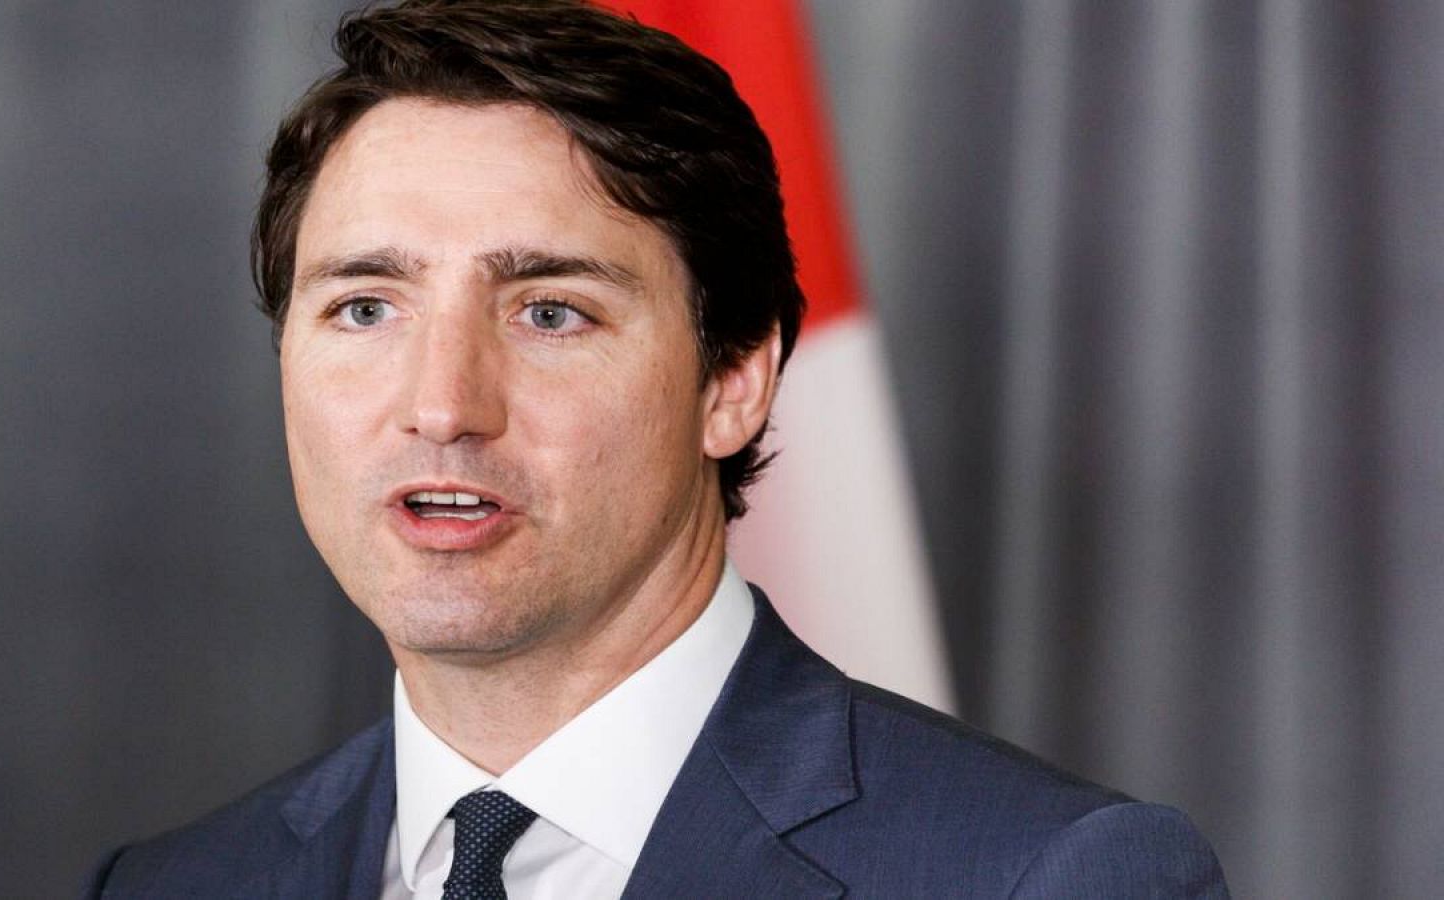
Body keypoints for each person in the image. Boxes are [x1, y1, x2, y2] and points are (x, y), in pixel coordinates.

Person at [85, 1, 1229, 896]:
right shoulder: (172, 885)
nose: (440, 407)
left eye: (549, 312)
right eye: (366, 308)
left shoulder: (1044, 878)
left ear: (732, 382)